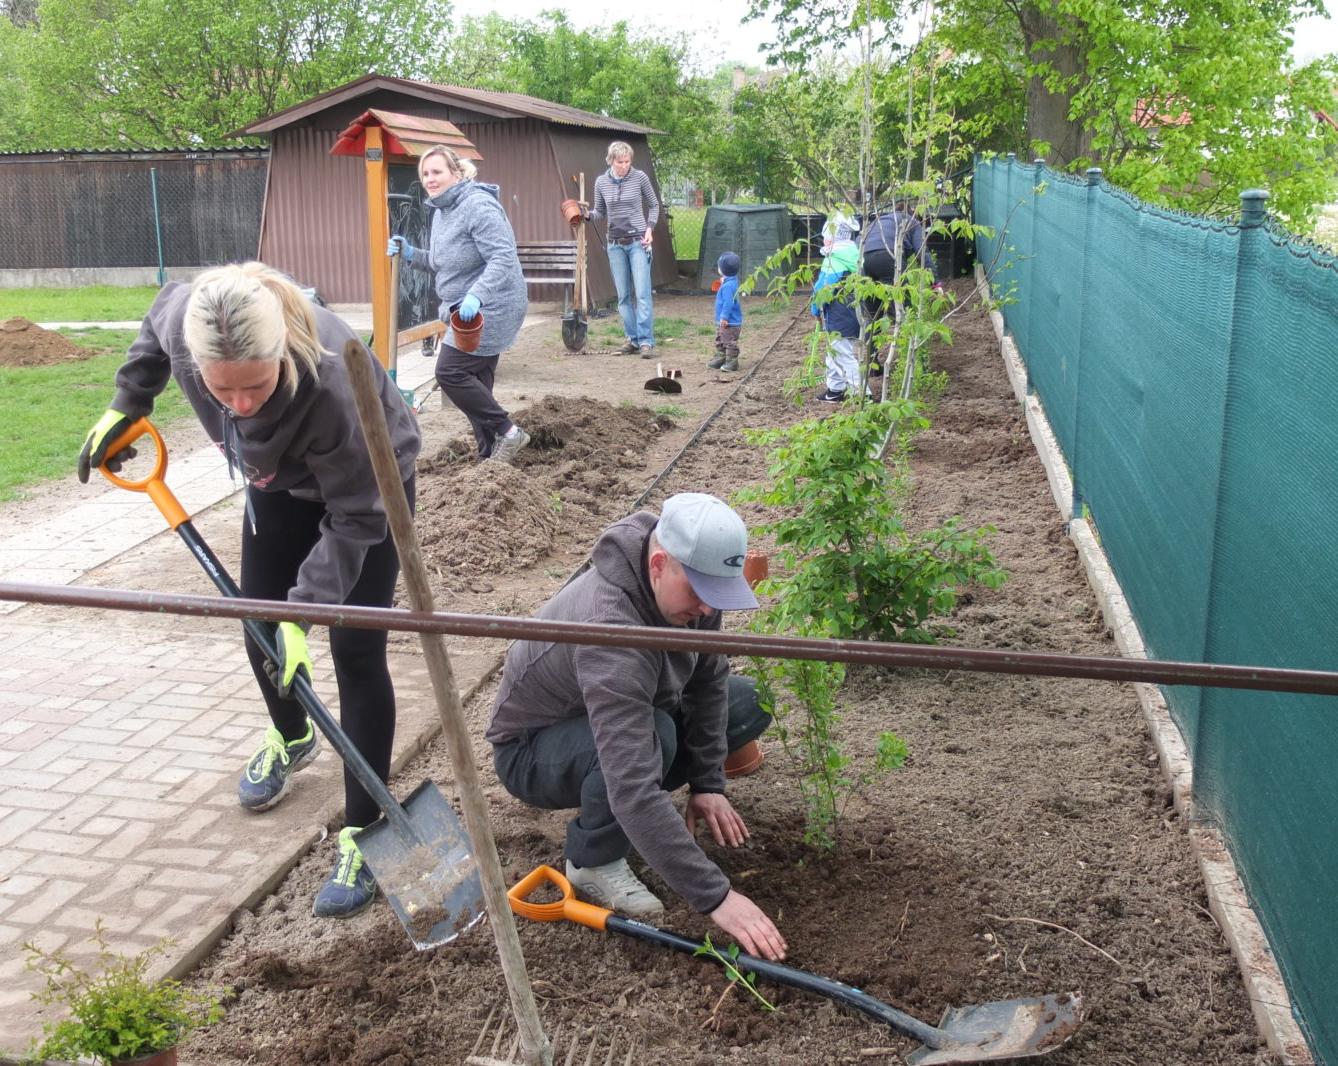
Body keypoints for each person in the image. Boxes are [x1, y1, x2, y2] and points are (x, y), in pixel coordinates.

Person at [76, 262, 421, 919]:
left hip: (369, 488)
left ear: (281, 356)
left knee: (355, 654)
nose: (238, 404)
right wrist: (130, 400)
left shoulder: (329, 385)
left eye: (256, 387)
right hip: (280, 487)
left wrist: (306, 613)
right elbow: (158, 318)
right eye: (221, 389)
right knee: (258, 630)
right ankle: (293, 737)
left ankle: (365, 829)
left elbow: (356, 516)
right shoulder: (187, 323)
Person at [486, 493, 788, 962]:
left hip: (630, 708)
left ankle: (657, 792)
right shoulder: (610, 630)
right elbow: (630, 786)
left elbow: (708, 684)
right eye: (699, 595)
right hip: (534, 749)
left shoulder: (694, 586)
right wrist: (717, 897)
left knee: (744, 701)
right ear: (660, 563)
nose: (707, 612)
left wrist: (709, 783)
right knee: (651, 739)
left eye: (717, 596)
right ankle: (593, 860)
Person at [388, 144, 530, 463]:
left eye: (437, 171)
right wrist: (411, 254)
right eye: (425, 173)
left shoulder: (477, 205)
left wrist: (477, 294)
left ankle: (508, 432)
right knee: (477, 383)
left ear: (455, 172)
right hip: (464, 305)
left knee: (450, 372)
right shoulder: (442, 211)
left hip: (495, 303)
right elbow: (444, 262)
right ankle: (490, 454)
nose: (430, 178)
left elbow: (503, 255)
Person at [582, 140, 660, 358]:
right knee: (623, 296)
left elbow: (654, 205)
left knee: (642, 294)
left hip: (638, 242)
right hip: (615, 244)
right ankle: (632, 339)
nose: (624, 165)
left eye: (627, 161)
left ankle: (646, 341)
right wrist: (586, 215)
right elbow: (600, 212)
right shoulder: (601, 182)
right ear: (611, 161)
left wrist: (649, 229)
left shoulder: (640, 178)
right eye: (620, 162)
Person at [812, 235, 867, 404]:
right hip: (852, 312)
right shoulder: (852, 256)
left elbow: (823, 289)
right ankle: (835, 390)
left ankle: (863, 394)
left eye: (825, 237)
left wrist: (815, 308)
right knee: (834, 352)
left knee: (841, 354)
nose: (823, 241)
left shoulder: (834, 261)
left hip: (839, 315)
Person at [707, 252, 743, 373]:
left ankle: (732, 362)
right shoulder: (732, 282)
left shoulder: (727, 287)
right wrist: (724, 282)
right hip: (727, 321)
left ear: (722, 270)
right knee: (721, 338)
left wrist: (724, 317)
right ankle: (721, 357)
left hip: (729, 322)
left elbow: (728, 303)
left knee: (729, 341)